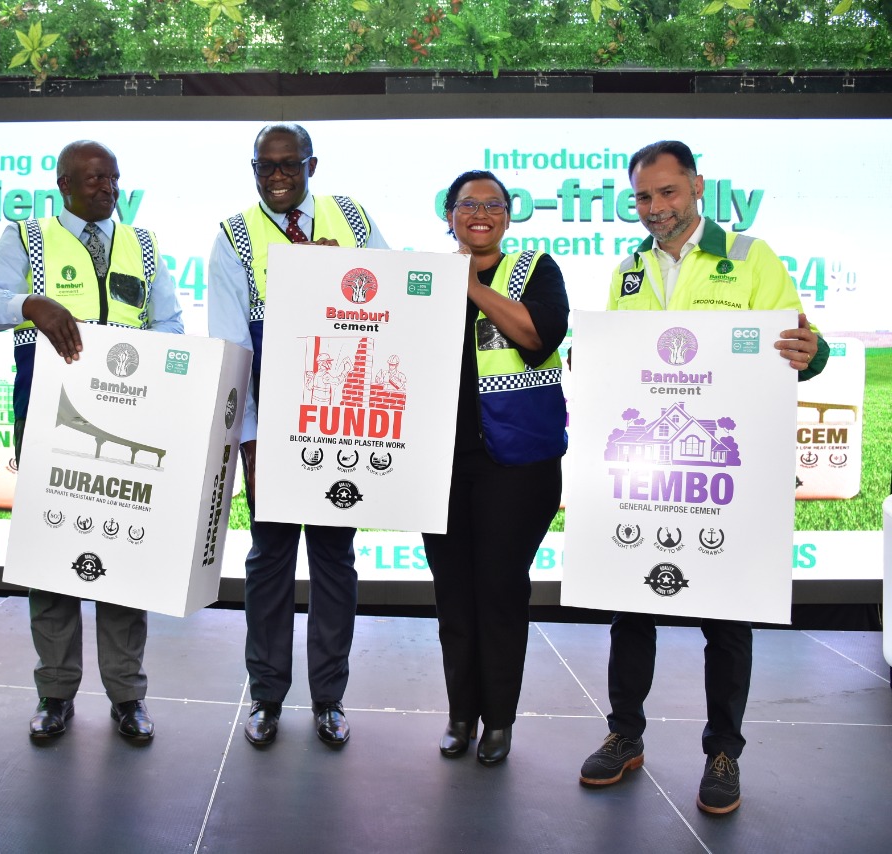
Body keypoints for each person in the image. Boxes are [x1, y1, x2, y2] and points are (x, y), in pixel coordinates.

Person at [578, 140, 828, 814]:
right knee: (631, 606)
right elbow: (617, 363)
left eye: (667, 192)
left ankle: (724, 753)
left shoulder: (750, 257)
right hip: (649, 473)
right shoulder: (629, 271)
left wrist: (813, 351)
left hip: (724, 473)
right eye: (643, 196)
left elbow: (803, 344)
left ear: (696, 187)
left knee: (728, 617)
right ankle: (625, 734)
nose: (655, 207)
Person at [0, 140, 184, 743]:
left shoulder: (143, 244)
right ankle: (55, 693)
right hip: (49, 418)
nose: (106, 188)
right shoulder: (27, 238)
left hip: (130, 418)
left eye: (113, 178)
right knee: (51, 553)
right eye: (93, 179)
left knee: (123, 555)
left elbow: (169, 324)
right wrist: (30, 303)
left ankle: (128, 696)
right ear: (63, 184)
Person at [208, 122, 388, 747]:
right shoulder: (234, 235)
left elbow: (394, 304)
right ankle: (266, 697)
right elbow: (232, 346)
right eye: (266, 166)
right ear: (253, 169)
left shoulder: (353, 219)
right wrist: (250, 439)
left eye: (290, 164)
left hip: (345, 427)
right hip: (275, 432)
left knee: (335, 561)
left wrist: (345, 273)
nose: (278, 176)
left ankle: (329, 699)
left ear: (312, 165)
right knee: (270, 565)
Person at [420, 171, 568, 766]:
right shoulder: (422, 278)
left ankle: (499, 721)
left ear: (508, 216)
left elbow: (538, 336)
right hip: (438, 462)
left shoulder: (536, 269)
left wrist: (469, 285)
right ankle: (461, 715)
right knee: (453, 593)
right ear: (449, 214)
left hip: (518, 463)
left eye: (493, 205)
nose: (480, 213)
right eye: (467, 204)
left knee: (501, 589)